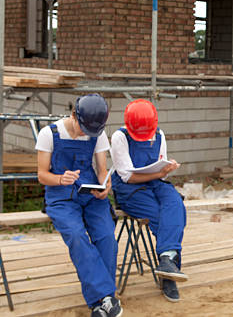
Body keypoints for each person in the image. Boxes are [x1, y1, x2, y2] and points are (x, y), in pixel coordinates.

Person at [36, 94, 122, 317]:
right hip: (60, 196)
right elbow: (42, 175)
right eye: (85, 129)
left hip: (90, 194)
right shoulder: (49, 134)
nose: (88, 134)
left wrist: (105, 185)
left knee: (107, 237)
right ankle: (106, 298)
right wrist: (59, 179)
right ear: (74, 115)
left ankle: (100, 303)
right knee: (76, 235)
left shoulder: (98, 134)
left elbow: (102, 169)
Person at [110, 99, 186, 302]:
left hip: (155, 182)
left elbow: (162, 174)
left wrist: (166, 171)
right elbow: (128, 176)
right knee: (160, 216)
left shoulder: (159, 134)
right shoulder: (120, 137)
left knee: (176, 204)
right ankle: (169, 270)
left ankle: (165, 261)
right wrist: (159, 173)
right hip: (129, 188)